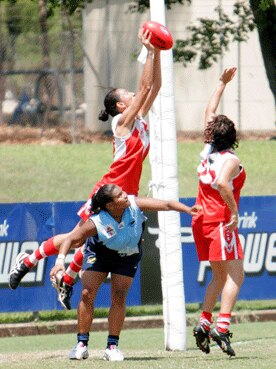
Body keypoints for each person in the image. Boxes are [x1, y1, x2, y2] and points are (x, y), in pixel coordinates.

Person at [8, 26, 161, 310]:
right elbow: (144, 88)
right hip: (109, 190)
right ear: (119, 104)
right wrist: (150, 51)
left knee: (92, 240)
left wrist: (159, 53)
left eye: (130, 93)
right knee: (76, 236)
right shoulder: (121, 124)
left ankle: (67, 279)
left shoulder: (139, 118)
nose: (132, 94)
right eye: (126, 94)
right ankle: (28, 260)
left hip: (128, 193)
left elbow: (154, 88)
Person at [50, 184, 202, 361]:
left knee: (119, 296)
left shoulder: (133, 204)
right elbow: (70, 239)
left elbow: (167, 204)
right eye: (120, 195)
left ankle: (112, 347)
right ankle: (81, 344)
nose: (125, 195)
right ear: (110, 205)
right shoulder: (97, 222)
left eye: (123, 192)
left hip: (127, 255)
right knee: (87, 293)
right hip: (100, 254)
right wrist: (60, 262)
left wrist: (188, 209)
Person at [192, 67, 246, 357]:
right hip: (220, 222)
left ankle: (204, 321)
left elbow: (209, 111)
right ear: (234, 136)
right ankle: (221, 328)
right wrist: (234, 213)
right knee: (236, 276)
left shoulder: (206, 152)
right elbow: (223, 183)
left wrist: (221, 84)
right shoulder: (230, 160)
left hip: (201, 220)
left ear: (211, 135)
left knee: (218, 276)